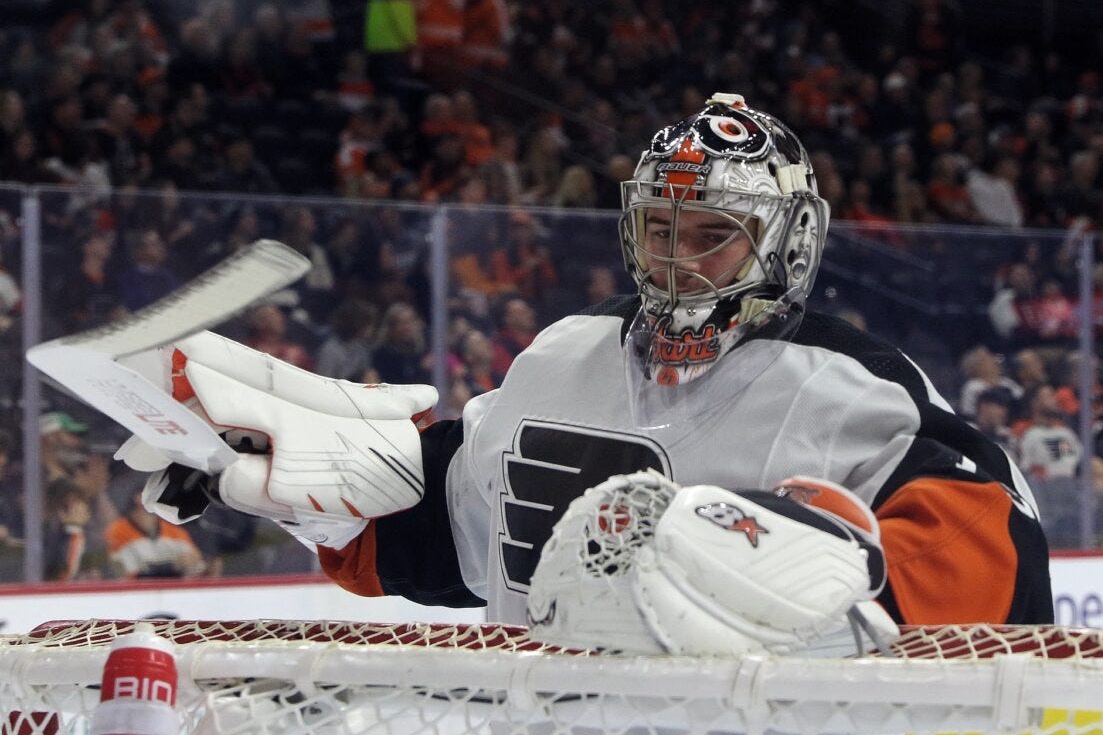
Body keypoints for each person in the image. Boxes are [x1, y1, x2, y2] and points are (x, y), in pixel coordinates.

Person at [121, 95, 1052, 650]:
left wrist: (834, 596)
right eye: (660, 228)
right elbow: (457, 539)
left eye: (714, 235)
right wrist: (298, 483)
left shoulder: (853, 390)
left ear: (787, 241)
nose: (678, 259)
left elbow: (996, 555)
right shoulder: (562, 356)